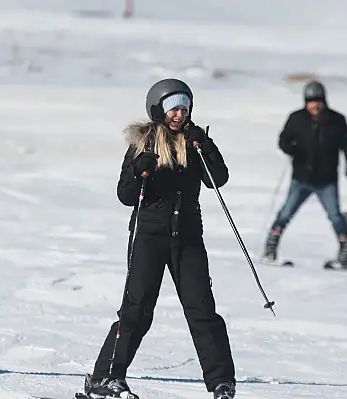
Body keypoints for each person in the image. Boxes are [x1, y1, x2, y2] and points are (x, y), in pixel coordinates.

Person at [81, 79, 236, 399]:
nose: (179, 114)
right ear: (159, 110)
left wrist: (204, 145)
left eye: (184, 108)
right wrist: (140, 170)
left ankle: (221, 382)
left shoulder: (195, 142)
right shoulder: (144, 143)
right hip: (148, 236)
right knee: (136, 310)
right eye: (173, 108)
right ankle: (106, 377)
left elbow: (217, 179)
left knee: (202, 310)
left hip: (188, 238)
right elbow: (125, 195)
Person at [262, 80, 347, 266]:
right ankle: (270, 248)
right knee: (285, 213)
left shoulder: (336, 120)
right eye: (311, 101)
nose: (315, 105)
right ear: (305, 101)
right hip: (301, 177)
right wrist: (292, 150)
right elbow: (283, 139)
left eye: (318, 100)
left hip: (326, 179)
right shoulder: (297, 118)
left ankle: (346, 253)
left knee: (335, 216)